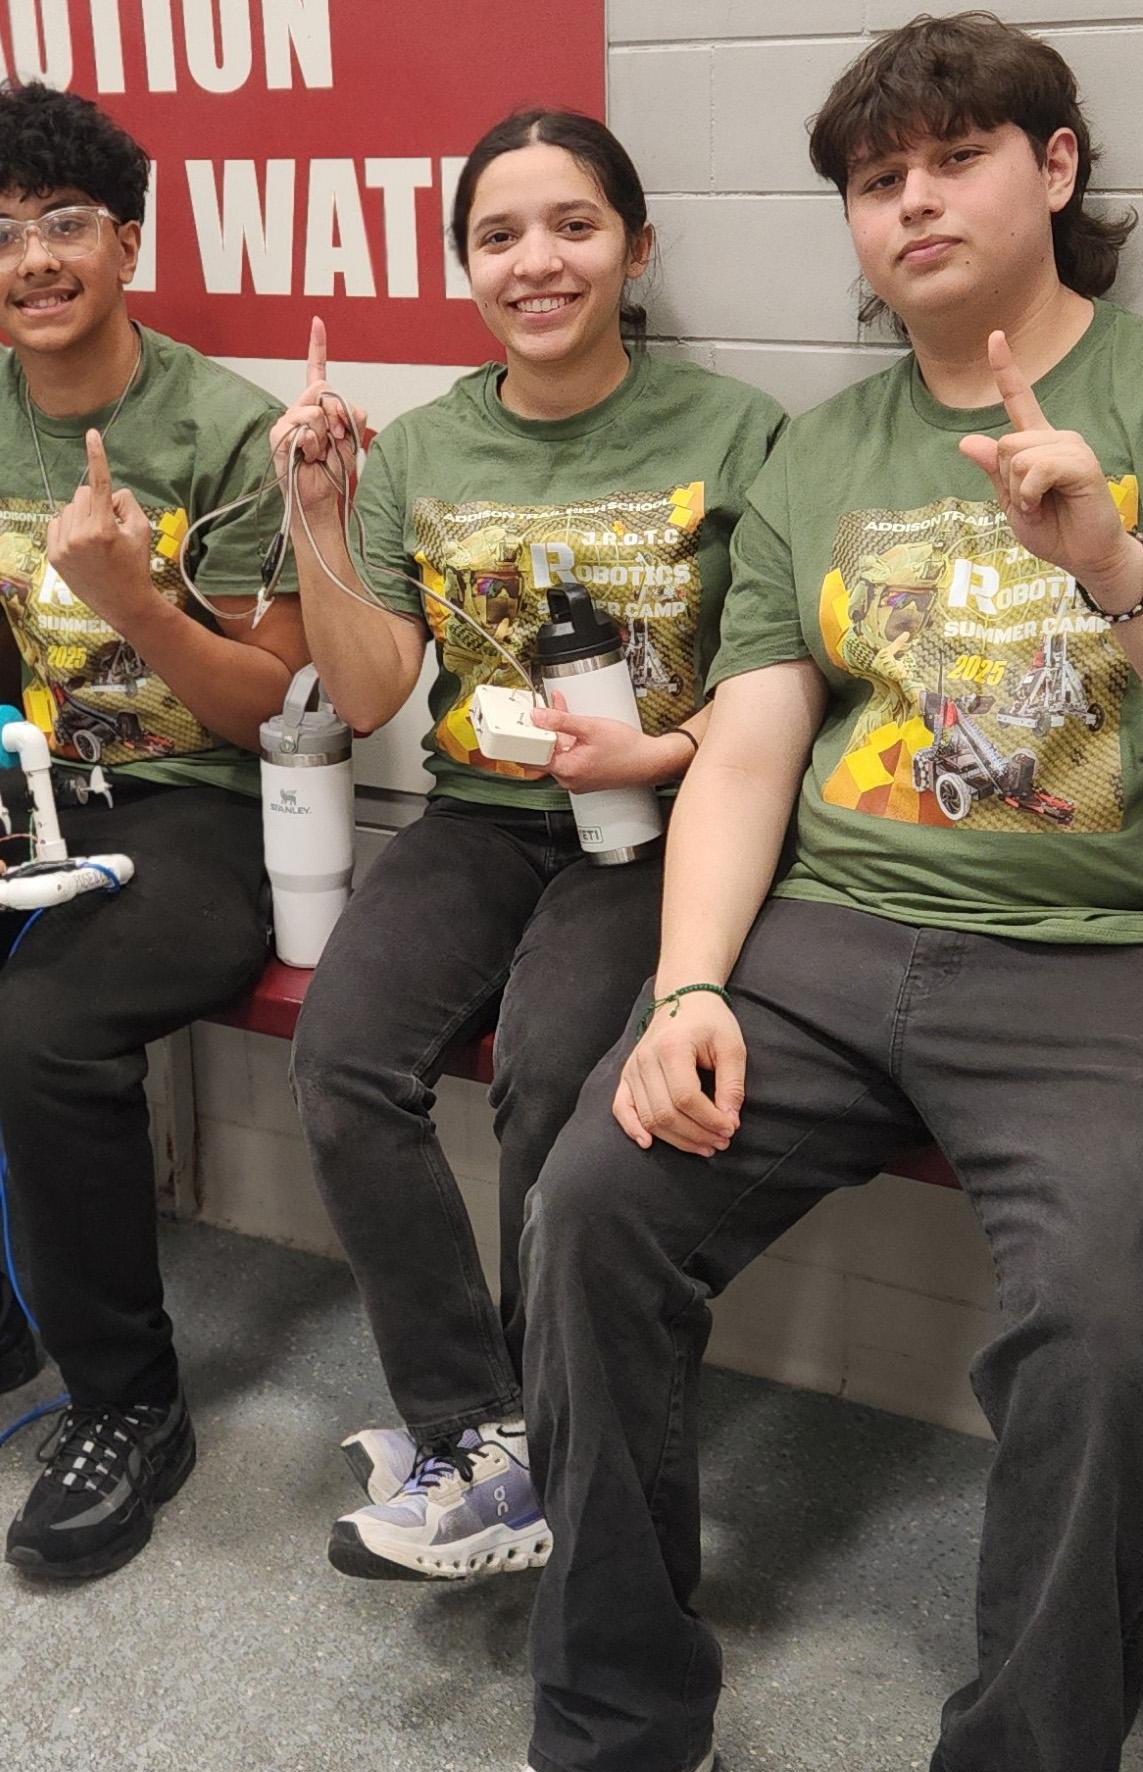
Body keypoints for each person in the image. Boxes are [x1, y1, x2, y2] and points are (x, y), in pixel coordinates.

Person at [433, 18, 1143, 1772]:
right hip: (839, 937)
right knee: (592, 1202)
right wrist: (687, 984)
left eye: (955, 158)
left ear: (1056, 169)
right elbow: (754, 733)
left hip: (1136, 963)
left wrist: (1110, 563)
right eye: (873, 178)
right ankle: (620, 1729)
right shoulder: (827, 448)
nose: (912, 202)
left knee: (1105, 1336)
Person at [274, 109, 786, 1582]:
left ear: (637, 247)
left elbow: (784, 685)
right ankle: (481, 1428)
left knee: (555, 1078)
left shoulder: (736, 432)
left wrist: (666, 755)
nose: (537, 262)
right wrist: (321, 514)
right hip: (482, 819)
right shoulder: (430, 446)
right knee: (342, 1061)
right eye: (498, 236)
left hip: (662, 830)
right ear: (466, 267)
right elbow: (370, 691)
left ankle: (553, 1437)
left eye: (573, 226)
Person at [0, 81, 301, 1577]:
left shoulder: (224, 427)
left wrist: (133, 602)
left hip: (205, 807)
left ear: (127, 240)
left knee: (40, 1029)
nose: (33, 258)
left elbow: (268, 709)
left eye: (65, 223)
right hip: (34, 780)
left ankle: (126, 1403)